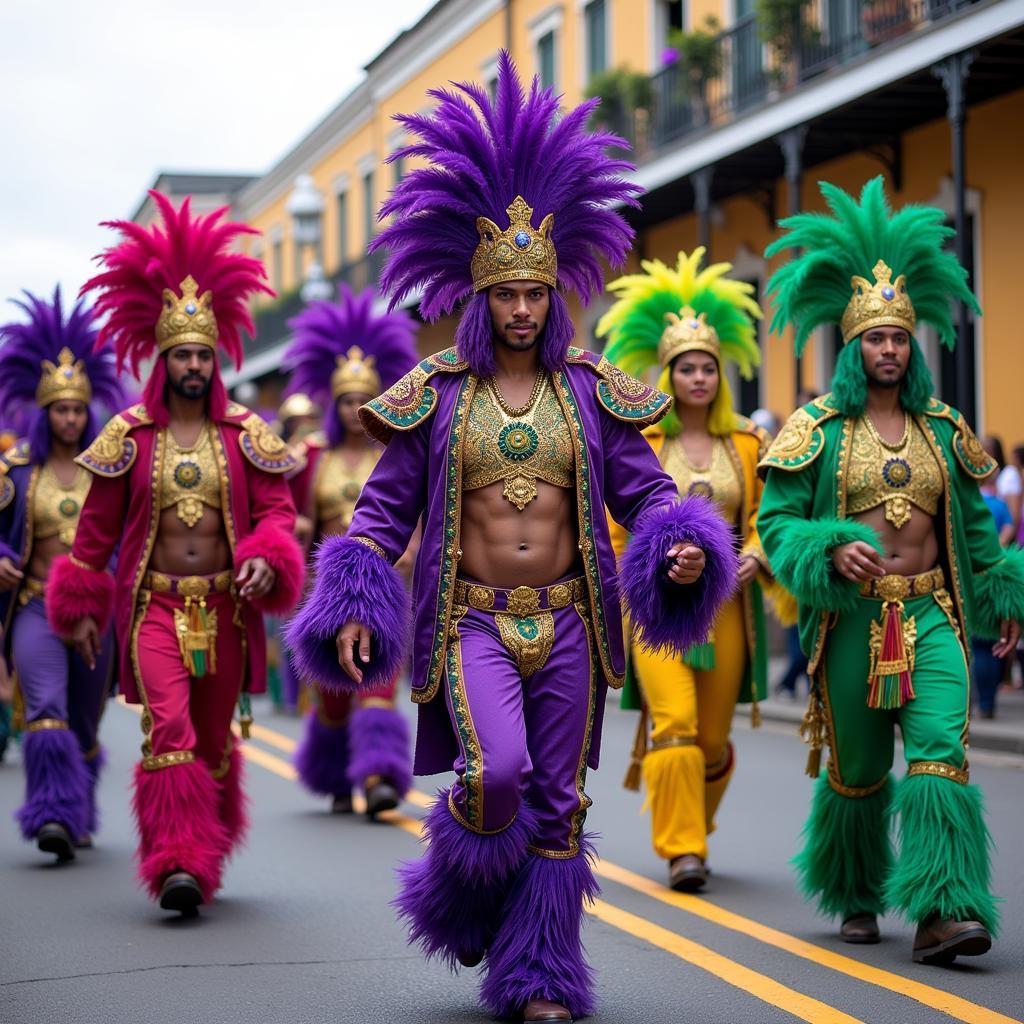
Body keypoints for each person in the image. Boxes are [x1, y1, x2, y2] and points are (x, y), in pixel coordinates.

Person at [287, 53, 736, 1023]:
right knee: (498, 775)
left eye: (535, 292)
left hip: (570, 621)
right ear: (479, 297)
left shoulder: (590, 391)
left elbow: (646, 487)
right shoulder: (438, 396)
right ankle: (458, 893)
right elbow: (380, 511)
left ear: (554, 292)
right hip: (474, 623)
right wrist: (356, 595)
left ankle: (536, 974)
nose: (523, 307)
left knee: (559, 804)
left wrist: (675, 542)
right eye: (506, 294)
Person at [757, 177, 1024, 964]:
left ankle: (945, 908)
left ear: (914, 346)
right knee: (859, 770)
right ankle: (854, 889)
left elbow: (974, 528)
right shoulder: (813, 428)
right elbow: (775, 527)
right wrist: (829, 547)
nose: (889, 350)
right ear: (850, 344)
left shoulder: (945, 428)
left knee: (941, 751)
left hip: (932, 613)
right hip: (852, 622)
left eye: (900, 338)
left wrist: (1003, 594)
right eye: (875, 338)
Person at [46, 193, 305, 914]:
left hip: (225, 607)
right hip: (155, 605)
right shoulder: (126, 438)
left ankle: (205, 843)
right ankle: (175, 861)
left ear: (215, 358)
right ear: (162, 360)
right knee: (170, 727)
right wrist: (81, 607)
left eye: (202, 353)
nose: (193, 364)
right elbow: (93, 533)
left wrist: (266, 554)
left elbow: (280, 511)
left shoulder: (248, 432)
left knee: (215, 742)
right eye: (181, 354)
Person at [598, 249, 790, 891]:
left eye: (708, 367)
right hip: (655, 607)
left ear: (721, 376)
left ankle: (694, 828)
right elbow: (618, 522)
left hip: (728, 606)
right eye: (686, 368)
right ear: (669, 375)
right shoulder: (645, 441)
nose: (698, 378)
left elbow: (769, 514)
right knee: (673, 721)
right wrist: (647, 573)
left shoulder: (748, 445)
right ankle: (683, 848)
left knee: (711, 739)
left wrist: (756, 556)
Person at [283, 284, 419, 817]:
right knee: (334, 694)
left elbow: (421, 508)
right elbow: (296, 519)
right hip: (328, 589)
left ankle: (382, 774)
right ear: (333, 405)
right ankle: (336, 770)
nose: (356, 407)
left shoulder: (398, 447)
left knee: (378, 683)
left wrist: (411, 545)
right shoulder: (311, 455)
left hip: (386, 588)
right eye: (346, 400)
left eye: (365, 399)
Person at [0, 287, 125, 860]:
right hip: (34, 606)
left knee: (84, 718)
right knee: (45, 707)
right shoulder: (15, 469)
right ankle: (51, 813)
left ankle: (77, 809)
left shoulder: (110, 467)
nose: (71, 418)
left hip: (96, 611)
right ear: (45, 413)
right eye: (61, 410)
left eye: (78, 409)